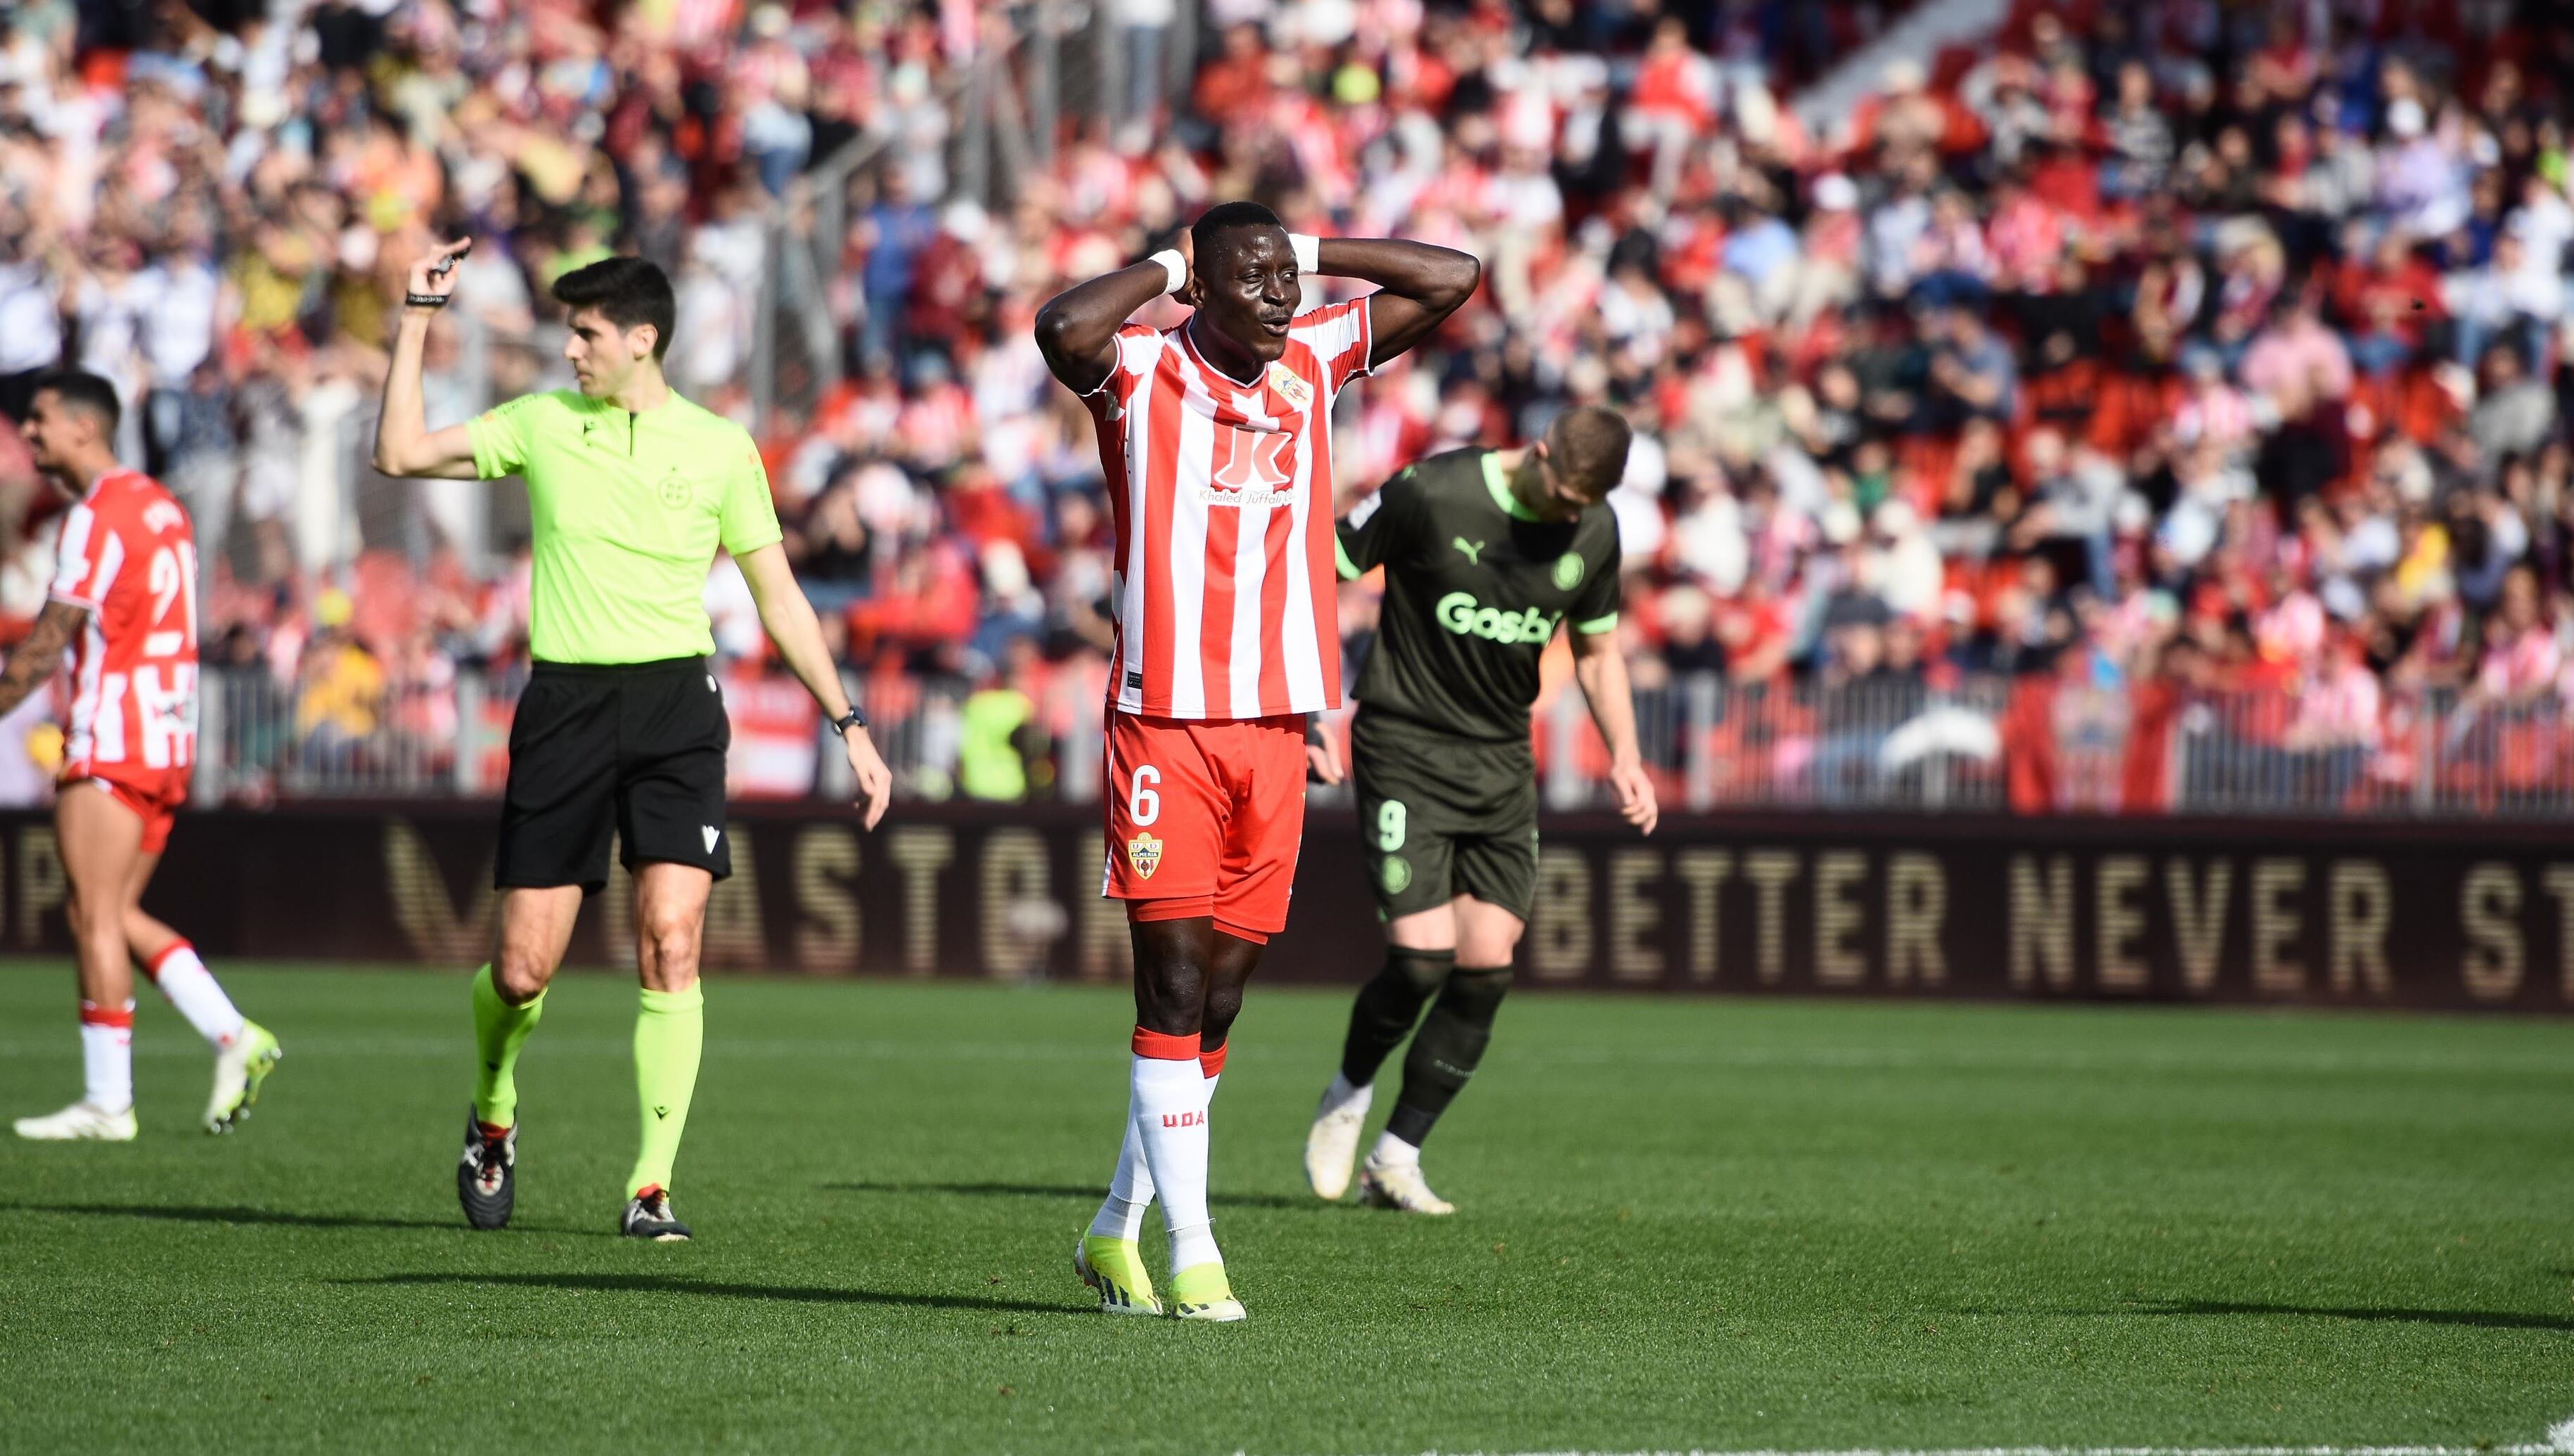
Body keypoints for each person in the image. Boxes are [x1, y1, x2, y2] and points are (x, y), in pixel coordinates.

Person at [371, 243, 894, 1242]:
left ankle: (650, 1185)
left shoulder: (719, 445)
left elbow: (776, 594)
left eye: (586, 332)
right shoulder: (539, 423)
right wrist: (413, 319)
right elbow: (398, 453)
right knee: (523, 969)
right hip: (563, 705)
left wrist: (850, 722)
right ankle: (493, 1111)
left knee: (673, 940)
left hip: (675, 713)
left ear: (641, 338)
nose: (569, 348)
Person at [1034, 201, 1478, 1319]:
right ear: (1202, 286)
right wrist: (1161, 268)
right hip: (1166, 721)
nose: (1283, 294)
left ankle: (1111, 1230)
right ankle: (1197, 1252)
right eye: (1258, 277)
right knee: (1172, 980)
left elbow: (1450, 275)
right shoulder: (1139, 369)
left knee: (1220, 1000)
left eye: (1288, 275)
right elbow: (1060, 327)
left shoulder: (1314, 354)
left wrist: (1310, 251)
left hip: (1279, 725)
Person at [1301, 408, 1659, 1213]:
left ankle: (1395, 1156)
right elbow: (1315, 567)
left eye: (1583, 505)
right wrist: (1310, 705)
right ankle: (1348, 1092)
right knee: (1421, 959)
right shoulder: (1435, 489)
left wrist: (1626, 757)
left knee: (1487, 966)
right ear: (1538, 454)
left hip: (1500, 760)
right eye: (1563, 496)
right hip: (1405, 742)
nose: (1570, 516)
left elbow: (1599, 653)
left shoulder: (1595, 530)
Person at [9, 370, 283, 1142]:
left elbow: (46, 644)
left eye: (40, 419)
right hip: (169, 736)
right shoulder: (162, 506)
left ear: (85, 427)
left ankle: (107, 1102)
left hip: (112, 732)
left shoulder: (95, 518)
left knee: (94, 914)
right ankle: (233, 1034)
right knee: (110, 911)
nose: (28, 433)